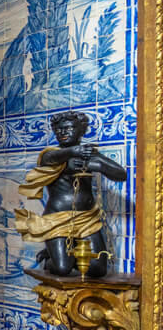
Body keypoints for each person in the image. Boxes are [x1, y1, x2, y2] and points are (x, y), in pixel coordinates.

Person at [14, 111, 127, 277]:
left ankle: (63, 252)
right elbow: (52, 157)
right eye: (58, 130)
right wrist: (73, 151)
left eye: (68, 128)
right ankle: (51, 258)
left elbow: (121, 174)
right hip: (57, 218)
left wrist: (94, 165)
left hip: (86, 218)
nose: (63, 132)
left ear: (81, 130)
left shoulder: (89, 154)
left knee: (97, 269)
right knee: (62, 269)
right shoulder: (50, 154)